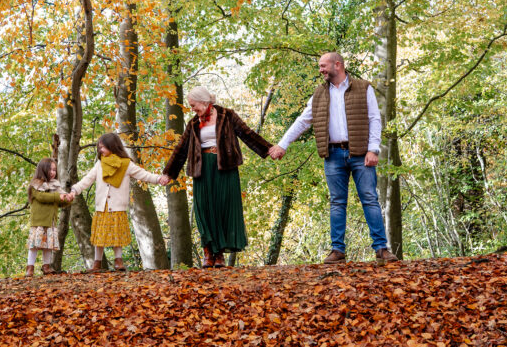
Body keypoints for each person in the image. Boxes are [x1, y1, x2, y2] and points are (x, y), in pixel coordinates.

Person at [271, 52, 399, 265]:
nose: (320, 70)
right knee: (337, 202)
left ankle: (381, 249)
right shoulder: (320, 93)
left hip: (360, 153)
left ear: (337, 65)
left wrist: (373, 149)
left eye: (323, 66)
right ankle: (338, 250)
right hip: (332, 155)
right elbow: (303, 121)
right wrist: (283, 144)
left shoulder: (363, 87)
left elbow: (375, 119)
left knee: (369, 198)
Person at [163, 86, 281, 268]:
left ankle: (219, 255)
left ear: (204, 101)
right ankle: (208, 251)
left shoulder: (228, 115)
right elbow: (181, 148)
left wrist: (269, 149)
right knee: (204, 209)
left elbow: (247, 134)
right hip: (202, 169)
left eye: (193, 105)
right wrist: (169, 173)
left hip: (225, 167)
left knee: (223, 207)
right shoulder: (193, 123)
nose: (192, 108)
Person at [69, 132, 170, 271]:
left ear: (113, 146)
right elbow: (87, 180)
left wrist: (159, 179)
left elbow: (143, 174)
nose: (100, 150)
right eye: (99, 147)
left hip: (117, 206)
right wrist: (74, 190)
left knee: (117, 236)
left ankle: (118, 261)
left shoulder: (126, 164)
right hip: (101, 207)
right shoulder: (99, 164)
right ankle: (96, 263)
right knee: (100, 237)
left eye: (103, 147)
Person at [26, 157, 73, 277]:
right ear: (42, 170)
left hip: (51, 220)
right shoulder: (36, 184)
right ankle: (30, 267)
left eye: (54, 170)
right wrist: (58, 197)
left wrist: (67, 199)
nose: (52, 172)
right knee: (34, 245)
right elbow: (42, 197)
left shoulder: (55, 185)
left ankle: (46, 266)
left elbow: (60, 201)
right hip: (39, 221)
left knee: (48, 245)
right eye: (50, 170)